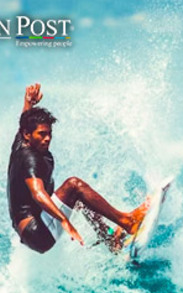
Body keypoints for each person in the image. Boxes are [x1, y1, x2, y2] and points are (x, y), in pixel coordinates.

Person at [8, 83, 147, 253]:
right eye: (42, 134)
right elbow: (38, 193)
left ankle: (110, 239)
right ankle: (127, 222)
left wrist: (28, 103)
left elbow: (24, 122)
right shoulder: (29, 157)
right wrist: (64, 220)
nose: (47, 139)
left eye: (49, 133)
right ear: (27, 135)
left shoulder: (21, 143)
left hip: (31, 230)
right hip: (37, 232)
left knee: (81, 199)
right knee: (74, 186)